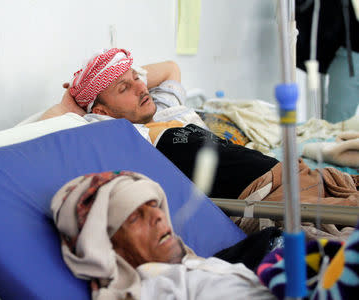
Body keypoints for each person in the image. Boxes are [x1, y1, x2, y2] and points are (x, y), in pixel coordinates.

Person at [41, 48, 358, 207]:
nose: (141, 88)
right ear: (101, 111)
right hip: (266, 197)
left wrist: (124, 76)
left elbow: (170, 68)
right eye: (124, 89)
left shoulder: (163, 109)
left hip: (292, 173)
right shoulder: (118, 133)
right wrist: (76, 97)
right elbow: (57, 117)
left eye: (137, 78)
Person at [50, 171, 276, 300]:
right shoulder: (161, 290)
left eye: (153, 205)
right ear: (109, 248)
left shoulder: (192, 267)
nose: (158, 216)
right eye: (134, 218)